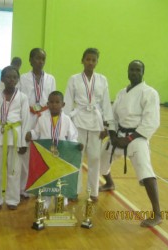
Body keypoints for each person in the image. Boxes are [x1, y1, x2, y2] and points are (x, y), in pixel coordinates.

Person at [99, 60, 162, 227]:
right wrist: (113, 136)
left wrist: (128, 139)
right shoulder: (121, 93)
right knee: (101, 159)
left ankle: (157, 213)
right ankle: (110, 183)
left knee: (146, 171)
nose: (134, 72)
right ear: (127, 72)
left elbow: (151, 122)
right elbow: (112, 117)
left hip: (137, 137)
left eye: (137, 70)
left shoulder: (150, 93)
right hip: (119, 134)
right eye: (131, 70)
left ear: (143, 72)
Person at [64, 48, 115, 202]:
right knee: (76, 157)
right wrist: (65, 125)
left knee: (94, 158)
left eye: (93, 60)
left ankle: (93, 191)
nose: (90, 62)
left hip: (96, 122)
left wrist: (107, 127)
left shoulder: (102, 79)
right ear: (82, 60)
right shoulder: (73, 79)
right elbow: (67, 102)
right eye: (88, 59)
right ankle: (74, 190)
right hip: (78, 121)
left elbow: (106, 103)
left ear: (97, 62)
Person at [25, 91, 81, 209]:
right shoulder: (42, 119)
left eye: (57, 102)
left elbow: (73, 137)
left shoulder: (67, 120)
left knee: (61, 180)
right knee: (47, 179)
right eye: (51, 102)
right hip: (46, 154)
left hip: (62, 155)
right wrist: (31, 134)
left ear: (63, 104)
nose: (54, 104)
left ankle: (60, 203)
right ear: (47, 104)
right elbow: (37, 133)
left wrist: (76, 145)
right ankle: (44, 203)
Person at [0, 65, 30, 210]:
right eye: (8, 77)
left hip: (16, 136)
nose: (11, 79)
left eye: (14, 77)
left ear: (18, 80)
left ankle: (12, 199)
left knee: (14, 169)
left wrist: (23, 142)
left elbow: (26, 120)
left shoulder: (23, 98)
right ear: (2, 79)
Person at [18, 48, 56, 200]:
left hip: (45, 116)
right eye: (37, 58)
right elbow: (19, 99)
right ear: (30, 60)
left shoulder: (51, 79)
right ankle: (24, 188)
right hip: (28, 115)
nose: (40, 61)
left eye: (43, 59)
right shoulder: (23, 78)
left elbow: (53, 99)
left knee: (43, 152)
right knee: (26, 153)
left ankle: (41, 185)